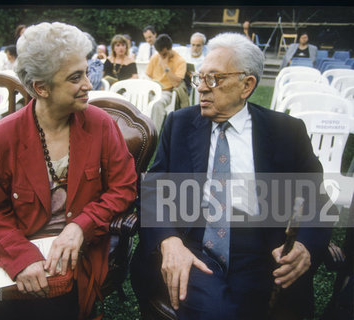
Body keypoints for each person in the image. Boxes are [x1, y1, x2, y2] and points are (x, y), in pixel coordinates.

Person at [131, 32, 332, 320]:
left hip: (260, 251)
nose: (202, 88)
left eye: (214, 79)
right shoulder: (180, 124)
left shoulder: (286, 131)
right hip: (193, 243)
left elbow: (318, 199)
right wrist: (169, 240)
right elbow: (152, 189)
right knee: (217, 312)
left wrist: (305, 246)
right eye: (199, 78)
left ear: (246, 85)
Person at [0, 22, 137, 320]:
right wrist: (22, 259)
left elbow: (124, 187)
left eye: (87, 72)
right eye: (76, 77)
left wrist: (80, 226)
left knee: (60, 304)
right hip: (21, 245)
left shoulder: (101, 125)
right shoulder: (0, 140)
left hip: (84, 249)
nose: (89, 84)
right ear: (41, 87)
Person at [146, 33, 187, 133]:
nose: (161, 56)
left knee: (157, 104)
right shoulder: (155, 57)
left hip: (166, 92)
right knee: (136, 98)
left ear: (170, 49)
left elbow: (176, 83)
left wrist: (165, 67)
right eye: (159, 53)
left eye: (164, 54)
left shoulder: (180, 61)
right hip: (153, 89)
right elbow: (149, 74)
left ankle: (153, 136)